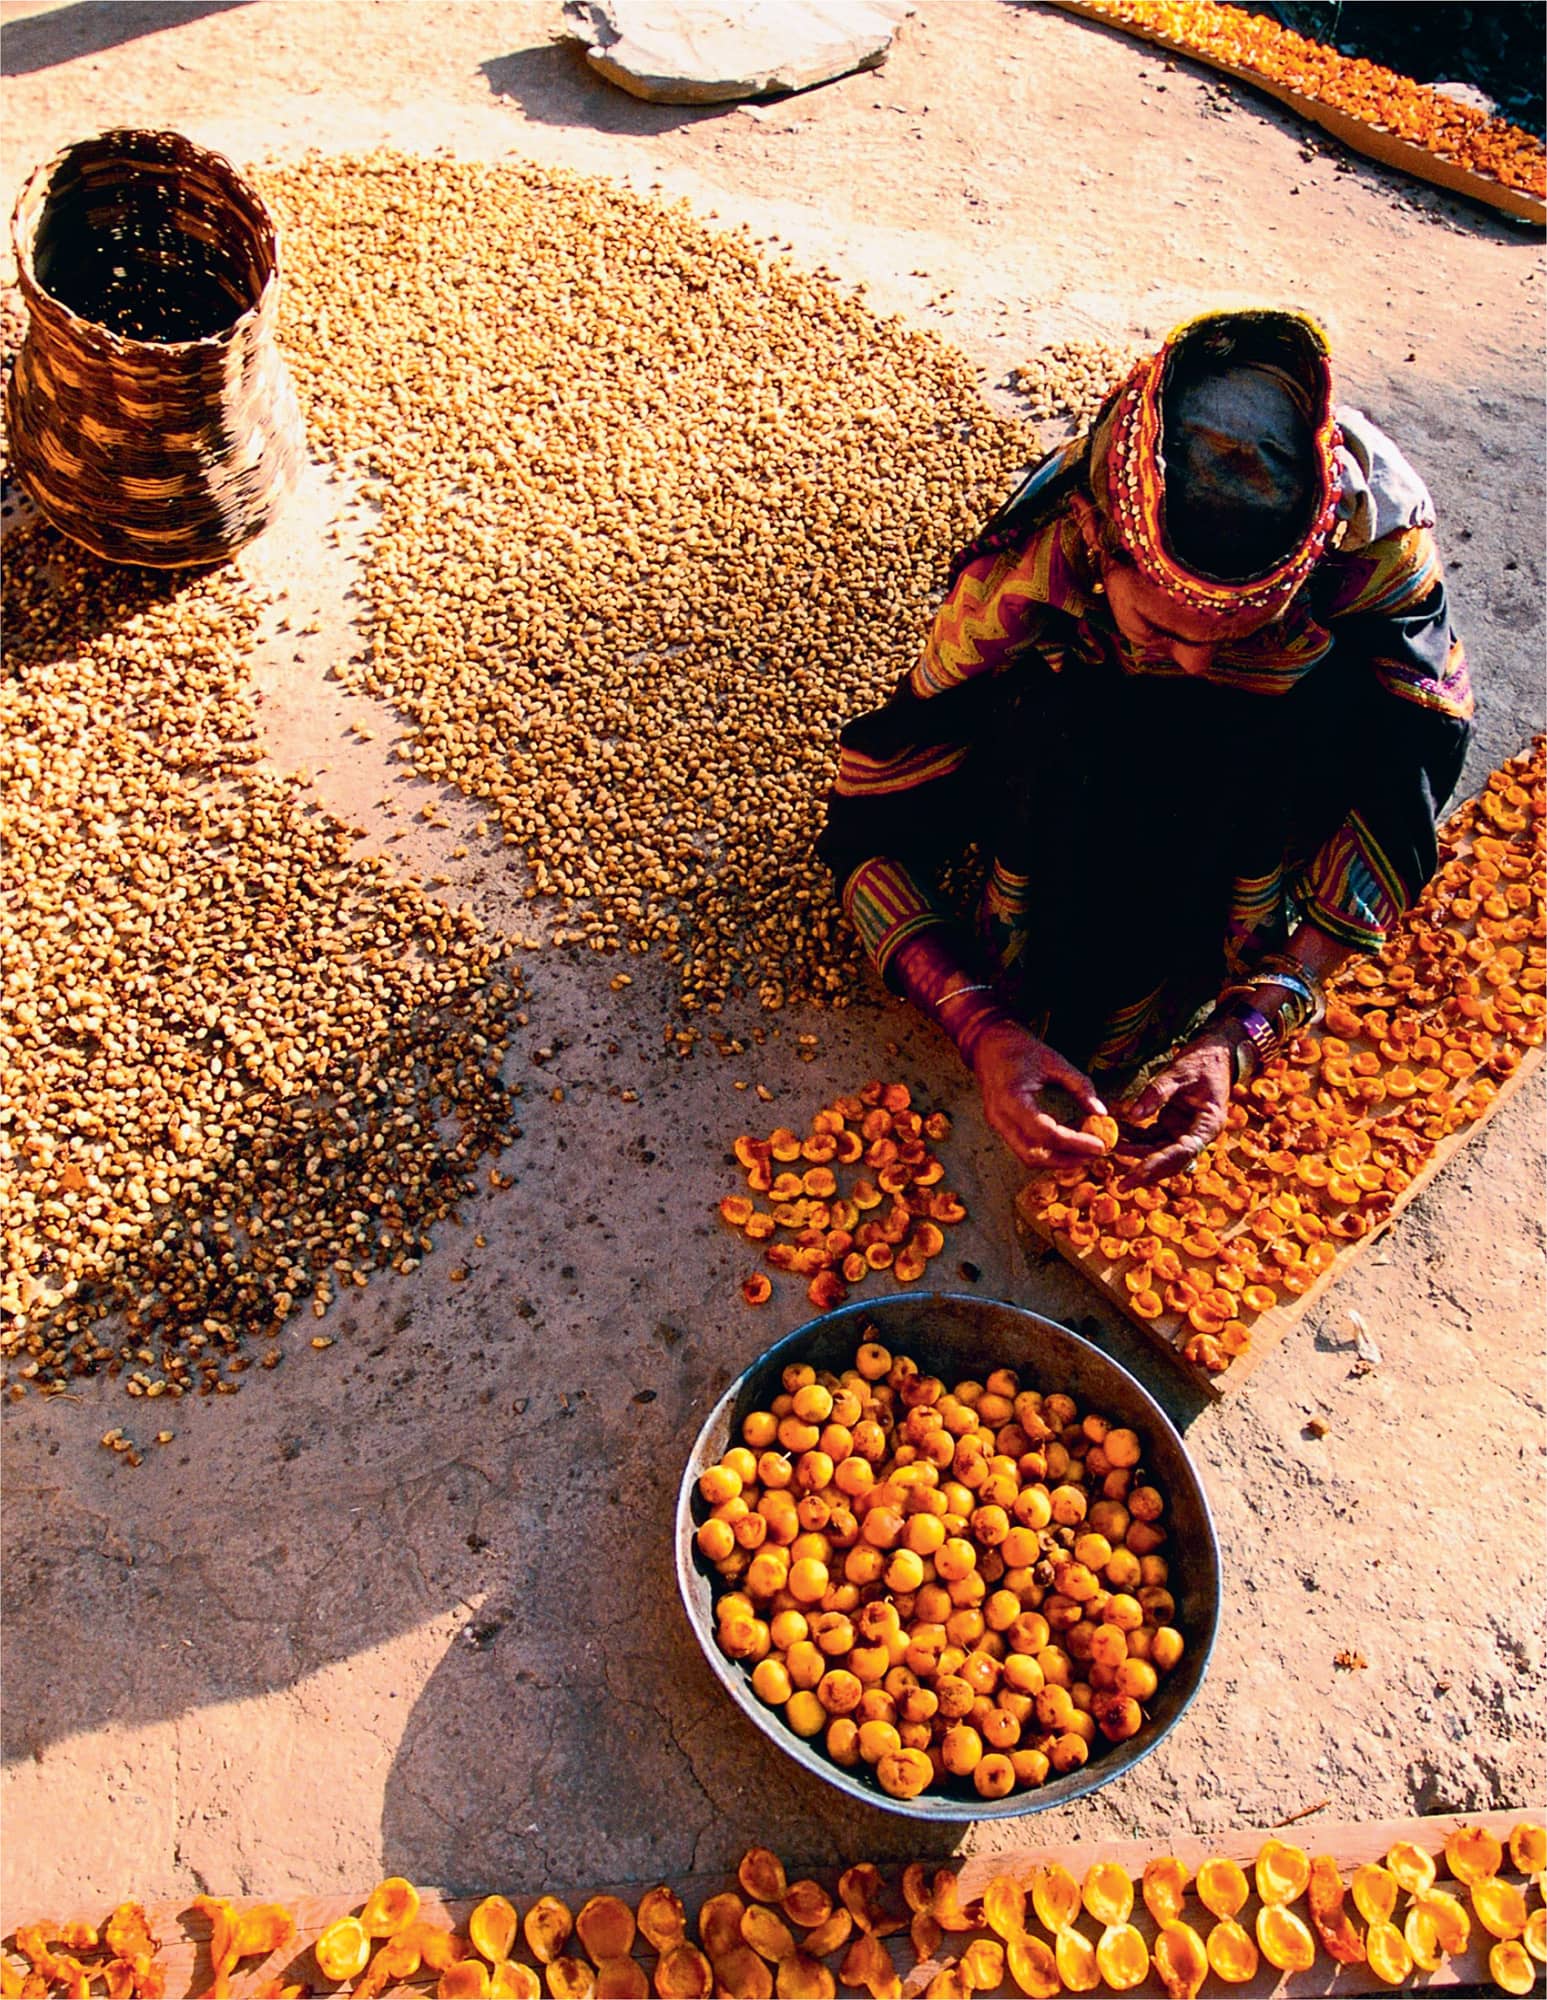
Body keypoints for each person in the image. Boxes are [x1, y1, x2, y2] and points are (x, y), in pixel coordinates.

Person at [819, 308, 1473, 1184]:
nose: (1198, 660)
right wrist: (980, 1024)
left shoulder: (1372, 556)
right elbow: (872, 825)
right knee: (1052, 753)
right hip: (1077, 709)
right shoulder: (1029, 578)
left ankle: (1237, 905)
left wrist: (1241, 1030)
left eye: (1242, 629)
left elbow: (1407, 788)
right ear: (1097, 549)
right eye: (1162, 627)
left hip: (1282, 735)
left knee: (1289, 752)